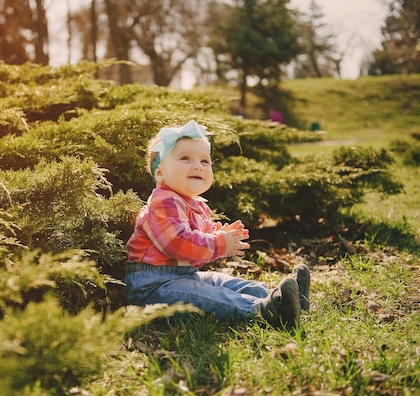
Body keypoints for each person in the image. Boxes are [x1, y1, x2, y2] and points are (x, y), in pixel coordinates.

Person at [125, 120, 309, 329]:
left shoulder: (195, 204)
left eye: (205, 161)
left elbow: (200, 238)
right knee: (212, 295)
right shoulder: (163, 203)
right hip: (153, 288)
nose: (197, 165)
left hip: (183, 276)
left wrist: (221, 236)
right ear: (160, 173)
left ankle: (283, 298)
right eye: (185, 158)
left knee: (224, 283)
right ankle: (263, 310)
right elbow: (178, 244)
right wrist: (220, 243)